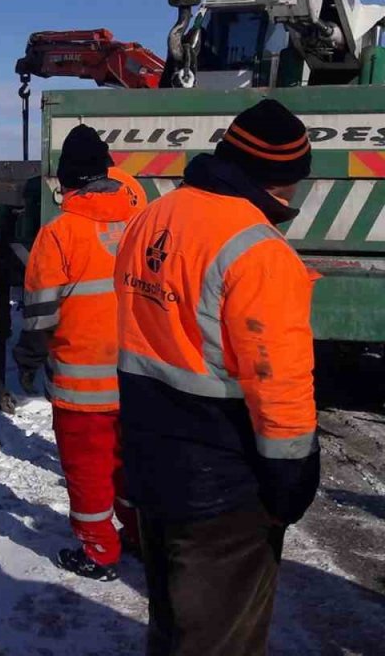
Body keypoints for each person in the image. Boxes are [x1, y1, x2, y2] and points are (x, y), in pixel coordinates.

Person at [115, 100, 320, 655]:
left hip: (150, 461)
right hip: (223, 488)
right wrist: (291, 479)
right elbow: (279, 383)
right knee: (218, 638)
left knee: (172, 625)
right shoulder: (259, 250)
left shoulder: (154, 216)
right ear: (277, 178)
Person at [13, 125, 143, 581]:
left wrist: (27, 358)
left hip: (83, 386)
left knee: (88, 470)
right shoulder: (140, 224)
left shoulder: (60, 233)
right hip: (140, 378)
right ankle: (139, 535)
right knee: (132, 464)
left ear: (67, 180)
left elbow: (40, 315)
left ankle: (99, 551)